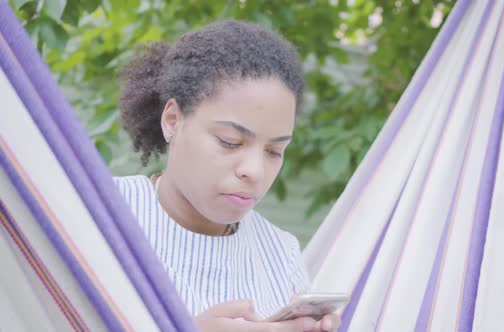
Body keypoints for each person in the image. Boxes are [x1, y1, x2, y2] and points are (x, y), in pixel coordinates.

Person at [113, 19, 341, 331]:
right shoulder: (103, 215)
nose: (254, 171)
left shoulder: (280, 252)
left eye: (274, 151)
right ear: (173, 120)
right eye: (230, 142)